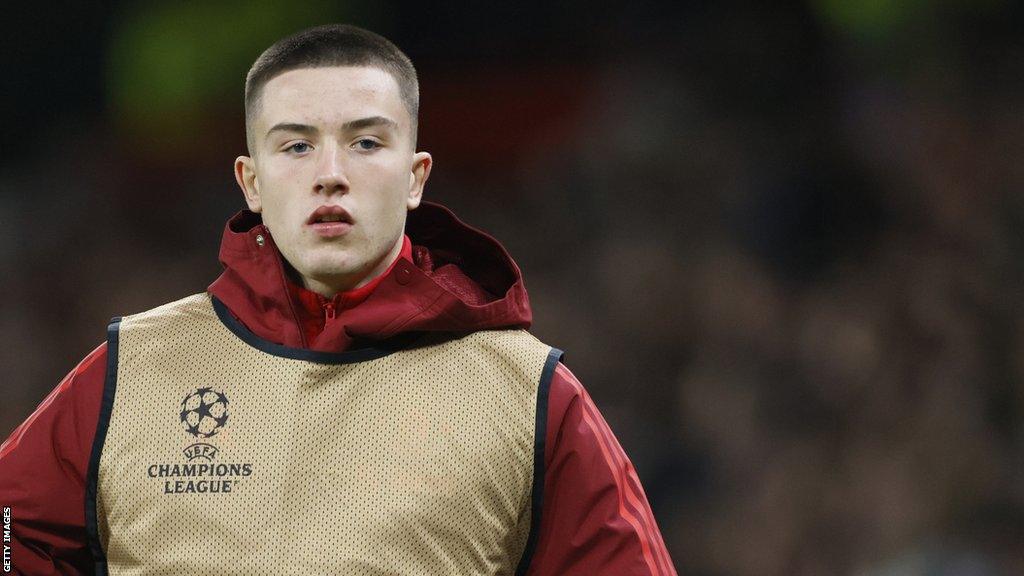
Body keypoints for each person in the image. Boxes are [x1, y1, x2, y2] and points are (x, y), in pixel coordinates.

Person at [0, 24, 676, 575]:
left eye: (366, 142)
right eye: (296, 145)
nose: (330, 175)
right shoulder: (136, 369)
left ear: (415, 177)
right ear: (252, 181)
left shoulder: (527, 393)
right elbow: (13, 532)